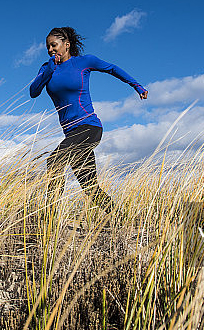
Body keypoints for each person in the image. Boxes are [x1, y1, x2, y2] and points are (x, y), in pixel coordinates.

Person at [29, 26, 148, 211]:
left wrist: (137, 86)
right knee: (90, 188)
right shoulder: (46, 68)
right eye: (48, 47)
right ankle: (120, 216)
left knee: (54, 161)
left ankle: (49, 218)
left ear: (66, 45)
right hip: (71, 134)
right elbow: (33, 92)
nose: (50, 50)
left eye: (54, 45)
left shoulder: (84, 62)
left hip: (89, 127)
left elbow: (112, 68)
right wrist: (49, 70)